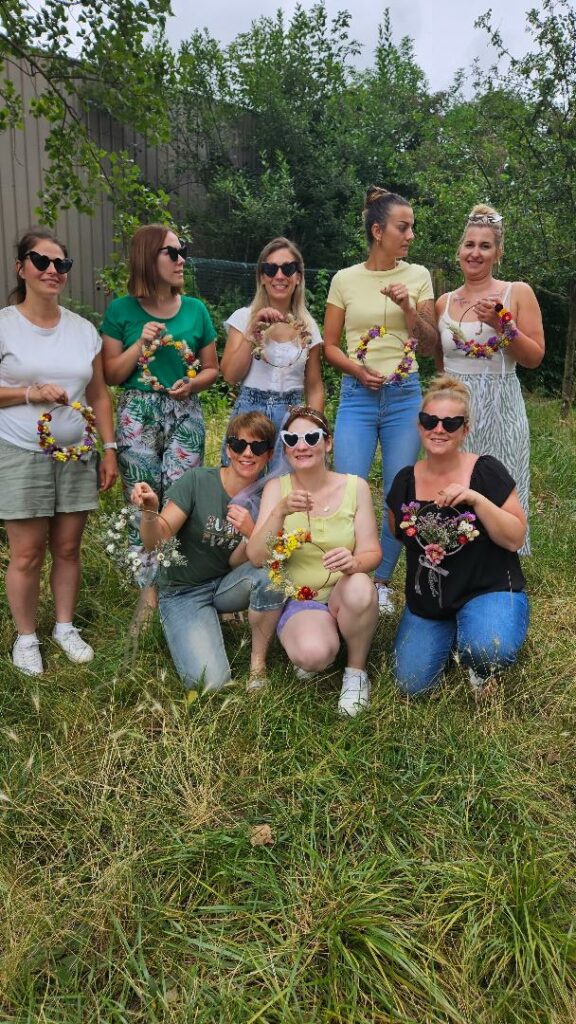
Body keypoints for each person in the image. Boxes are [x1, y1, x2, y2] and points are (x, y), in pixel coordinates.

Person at [0, 227, 118, 676]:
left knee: (68, 548)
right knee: (27, 553)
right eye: (41, 261)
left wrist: (108, 449)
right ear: (21, 268)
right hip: (20, 451)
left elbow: (99, 395)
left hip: (75, 453)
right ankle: (26, 636)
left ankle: (64, 627)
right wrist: (27, 393)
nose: (52, 270)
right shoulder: (5, 325)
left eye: (61, 264)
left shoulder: (83, 330)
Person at [324, 186, 439, 615]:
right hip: (357, 396)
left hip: (405, 395)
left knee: (399, 491)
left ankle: (384, 580)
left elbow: (427, 345)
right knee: (348, 488)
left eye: (411, 227)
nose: (410, 235)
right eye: (402, 227)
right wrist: (356, 370)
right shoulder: (345, 280)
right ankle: (346, 577)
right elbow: (330, 346)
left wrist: (409, 307)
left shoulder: (418, 275)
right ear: (378, 230)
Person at [101, 223, 219, 620]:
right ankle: (149, 595)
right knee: (142, 499)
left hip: (184, 411)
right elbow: (112, 374)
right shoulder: (121, 310)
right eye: (172, 252)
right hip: (139, 412)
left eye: (181, 250)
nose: (181, 258)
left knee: (181, 498)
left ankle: (181, 584)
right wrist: (140, 344)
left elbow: (212, 370)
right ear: (148, 259)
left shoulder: (196, 310)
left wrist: (192, 383)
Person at [386, 376, 529, 698]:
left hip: (486, 589)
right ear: (419, 425)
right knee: (412, 687)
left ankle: (479, 660)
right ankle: (454, 631)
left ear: (465, 430)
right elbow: (397, 531)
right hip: (431, 602)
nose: (439, 429)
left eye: (451, 423)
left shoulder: (485, 471)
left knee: (489, 650)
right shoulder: (405, 481)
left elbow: (515, 538)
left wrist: (476, 500)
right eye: (430, 420)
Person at [130, 412, 284, 693]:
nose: (247, 453)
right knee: (210, 685)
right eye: (239, 445)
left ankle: (257, 666)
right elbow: (157, 541)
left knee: (270, 574)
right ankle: (177, 614)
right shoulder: (198, 480)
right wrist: (150, 512)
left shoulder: (266, 497)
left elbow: (245, 559)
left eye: (258, 447)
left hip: (225, 585)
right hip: (183, 590)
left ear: (270, 454)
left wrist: (251, 530)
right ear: (228, 449)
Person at [247, 407, 381, 717]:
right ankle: (318, 641)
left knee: (361, 586)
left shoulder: (354, 487)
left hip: (343, 593)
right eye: (292, 438)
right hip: (300, 599)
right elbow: (256, 556)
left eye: (311, 437)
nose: (302, 445)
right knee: (313, 655)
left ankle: (356, 673)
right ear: (285, 446)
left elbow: (373, 552)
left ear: (328, 443)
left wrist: (354, 562)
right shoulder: (276, 489)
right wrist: (280, 511)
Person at [436, 204, 545, 554]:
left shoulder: (517, 292)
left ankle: (504, 558)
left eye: (485, 246)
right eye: (469, 245)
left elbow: (534, 357)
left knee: (501, 478)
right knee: (453, 480)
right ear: (459, 252)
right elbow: (442, 363)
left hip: (501, 400)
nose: (475, 253)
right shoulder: (444, 302)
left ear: (497, 253)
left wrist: (503, 326)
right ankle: (454, 552)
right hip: (456, 404)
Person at [220, 237, 324, 472]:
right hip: (249, 412)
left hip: (292, 416)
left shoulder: (308, 326)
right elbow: (229, 375)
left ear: (298, 277)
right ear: (261, 277)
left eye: (288, 268)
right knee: (241, 488)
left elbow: (315, 386)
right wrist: (253, 332)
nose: (279, 275)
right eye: (270, 268)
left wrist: (313, 428)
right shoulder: (244, 317)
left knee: (284, 490)